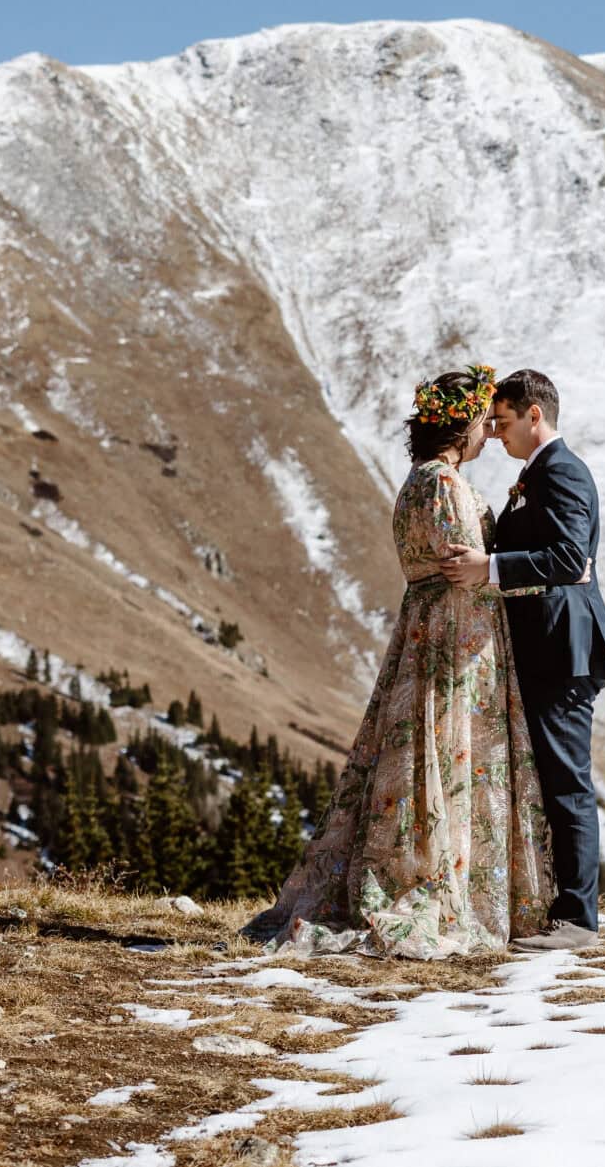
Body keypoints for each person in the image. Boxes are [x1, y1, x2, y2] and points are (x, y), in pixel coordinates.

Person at [241, 365, 554, 957]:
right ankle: (439, 884)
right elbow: (464, 566)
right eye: (482, 423)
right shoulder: (443, 483)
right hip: (455, 634)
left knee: (422, 747)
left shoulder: (418, 480)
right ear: (460, 426)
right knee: (447, 746)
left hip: (428, 628)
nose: (488, 434)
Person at [438, 368, 605, 952]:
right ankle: (557, 907)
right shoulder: (537, 474)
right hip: (545, 646)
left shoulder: (562, 471)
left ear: (534, 415)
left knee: (567, 782)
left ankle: (579, 920)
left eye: (502, 421)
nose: (494, 434)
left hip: (564, 650)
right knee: (552, 779)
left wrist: (488, 569)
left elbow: (568, 558)